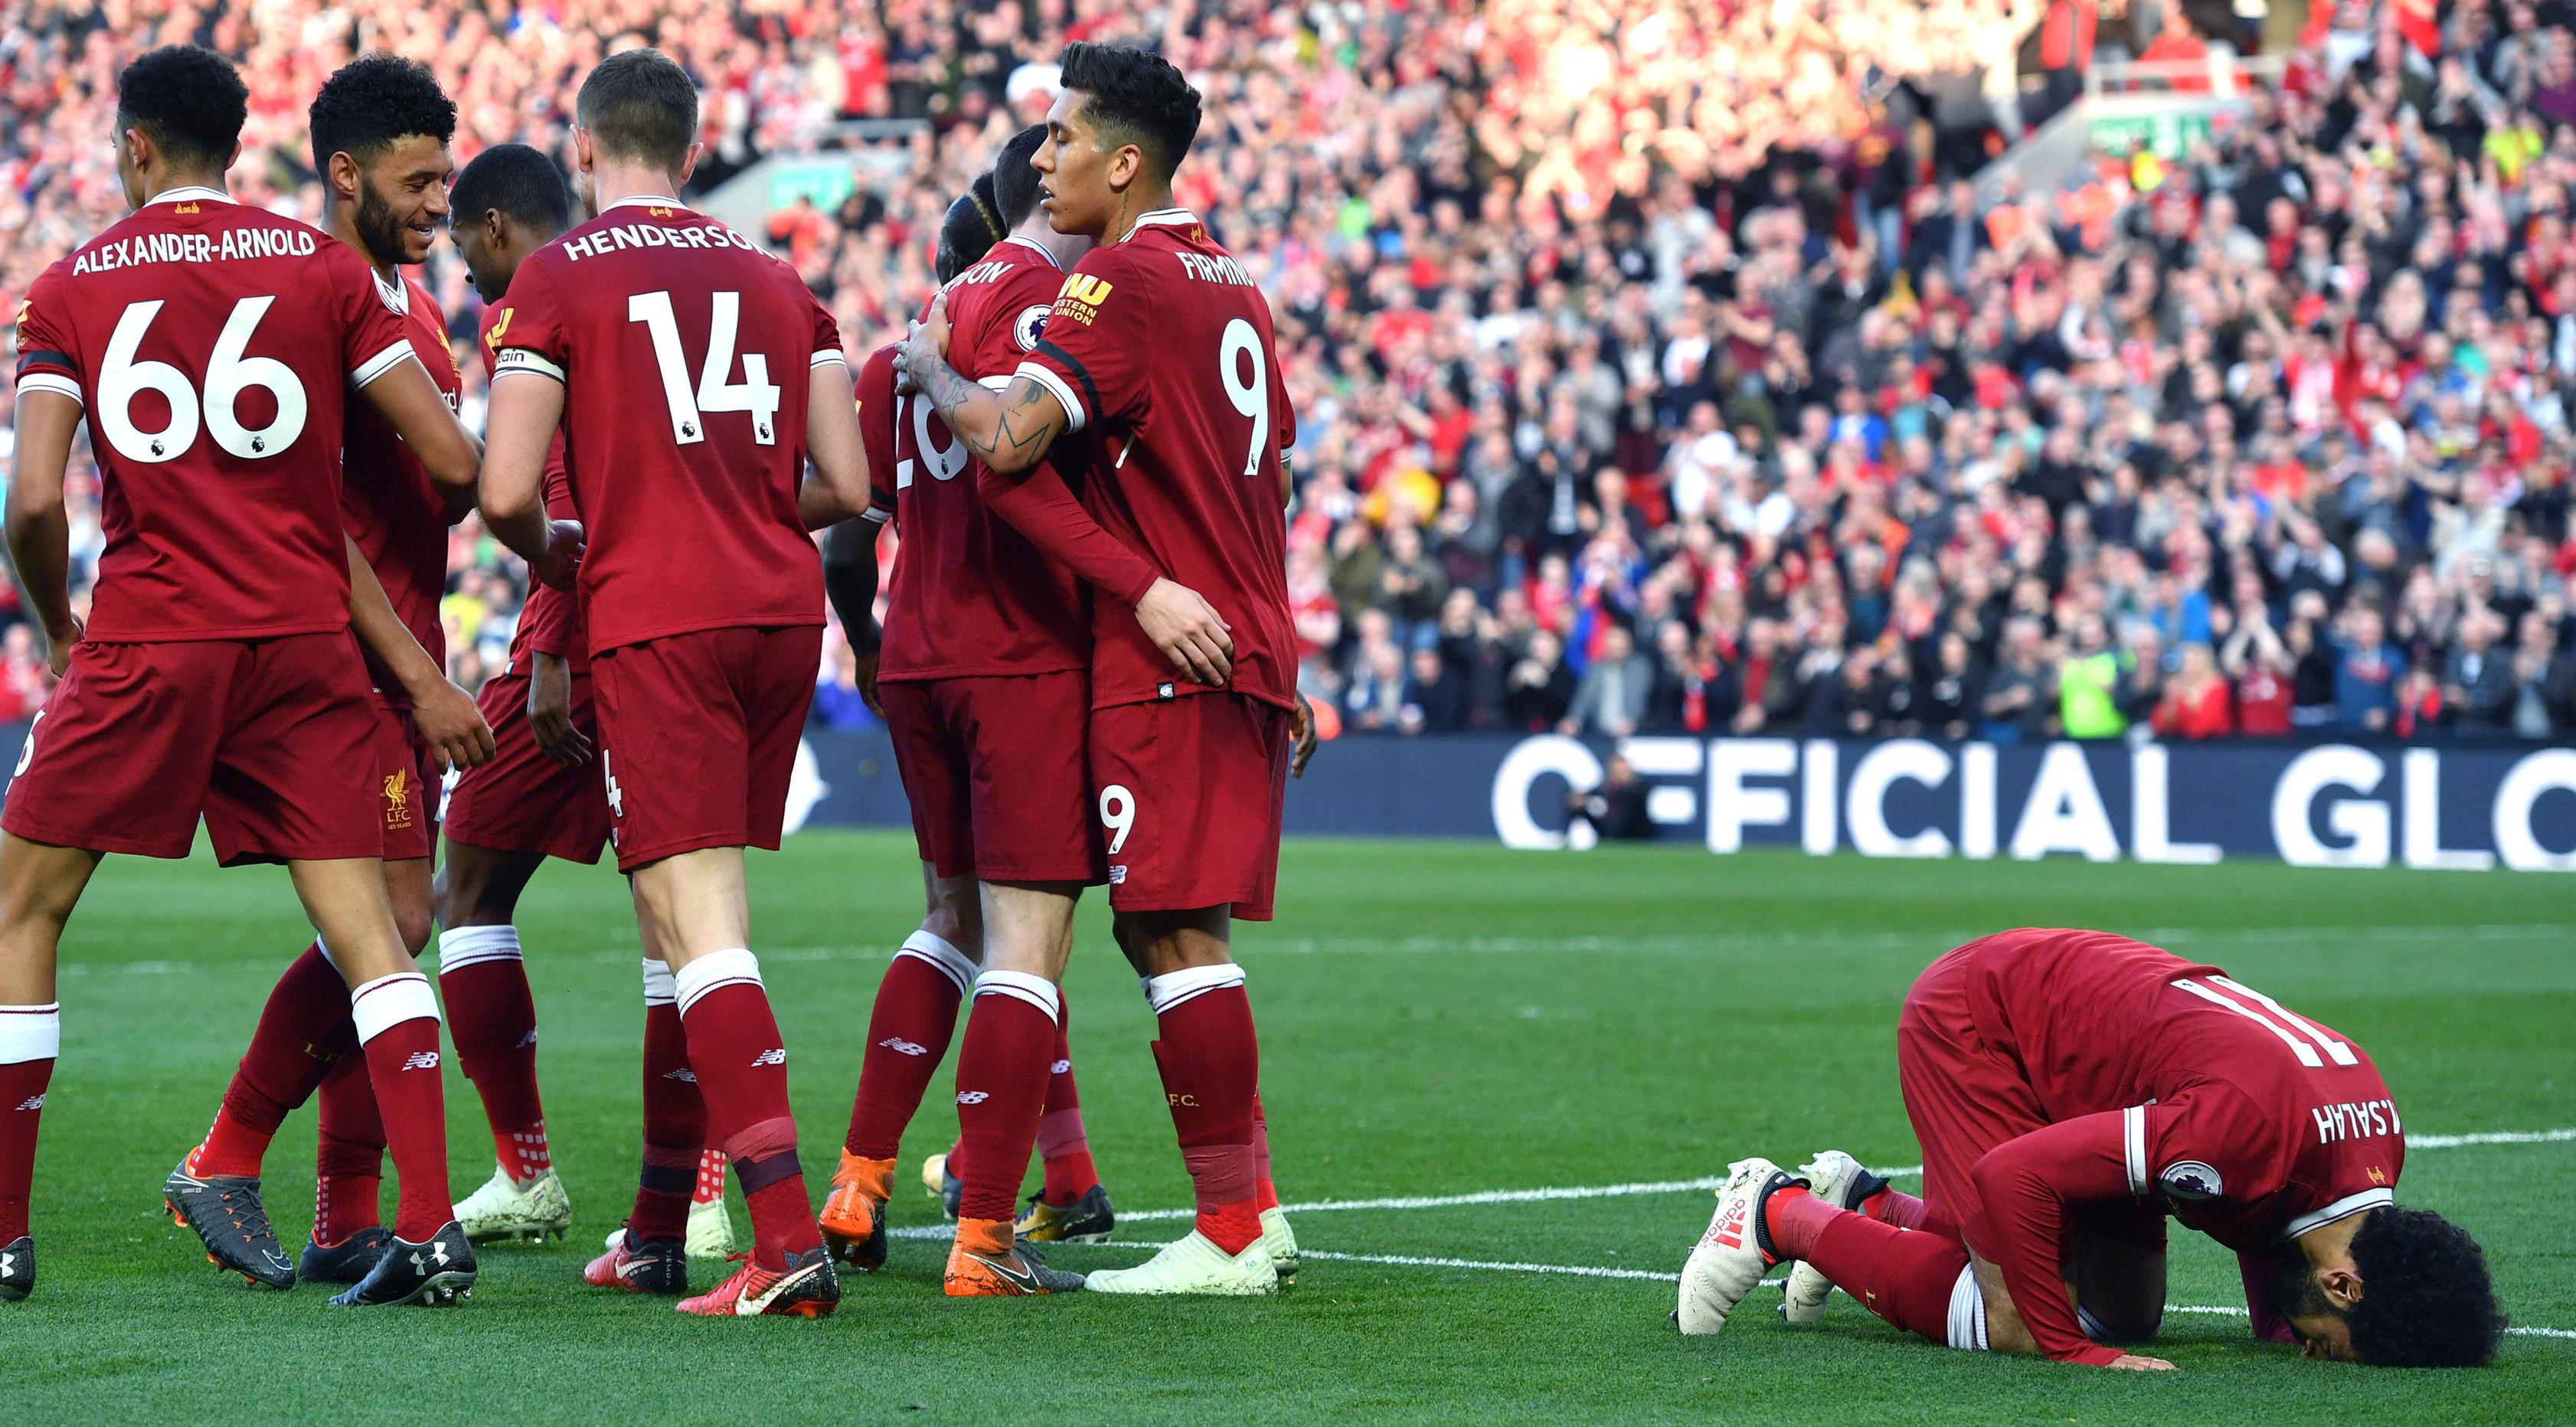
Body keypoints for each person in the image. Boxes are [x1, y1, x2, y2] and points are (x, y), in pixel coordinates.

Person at [0, 45, 486, 1306]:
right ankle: (427, 1230)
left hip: (152, 636)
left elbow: (37, 499)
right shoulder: (323, 271)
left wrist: (59, 626)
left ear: (137, 149)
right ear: (239, 143)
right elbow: (443, 454)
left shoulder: (67, 289)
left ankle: (4, 1230)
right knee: (378, 939)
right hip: (302, 642)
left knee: (23, 913)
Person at [895, 41, 1303, 1296]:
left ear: (1125, 162)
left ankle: (1230, 1228)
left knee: (1171, 929)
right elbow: (1266, 470)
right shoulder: (1231, 281)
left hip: (1166, 655)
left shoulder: (1114, 282)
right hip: (1232, 639)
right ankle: (1256, 1208)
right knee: (1167, 927)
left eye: (1064, 137)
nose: (1044, 157)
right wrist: (1276, 642)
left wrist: (926, 363)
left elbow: (1008, 438)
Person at [480, 47, 872, 1318]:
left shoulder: (551, 278)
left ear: (583, 149)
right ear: (694, 153)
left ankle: (778, 1237)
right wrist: (738, 506)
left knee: (700, 919)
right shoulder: (776, 274)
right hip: (775, 610)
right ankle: (655, 1224)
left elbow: (501, 491)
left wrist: (582, 551)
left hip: (659, 615)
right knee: (674, 925)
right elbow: (848, 489)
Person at [166, 54, 497, 1297]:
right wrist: (413, 670)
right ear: (344, 171)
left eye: (444, 179)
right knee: (394, 927)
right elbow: (318, 521)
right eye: (416, 183)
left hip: (399, 651)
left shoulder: (389, 300)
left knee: (392, 928)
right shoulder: (311, 301)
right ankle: (232, 1154)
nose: (435, 204)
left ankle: (341, 1212)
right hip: (351, 662)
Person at [805, 132, 1129, 1295]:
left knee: (947, 916)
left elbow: (851, 533)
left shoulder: (912, 338)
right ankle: (988, 1236)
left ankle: (857, 1179)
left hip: (920, 654)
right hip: (1023, 657)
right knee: (1029, 943)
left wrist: (879, 646)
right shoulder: (1060, 307)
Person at [1679, 929, 2505, 1370]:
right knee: (2019, 1321)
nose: (2322, 1357)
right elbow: (2015, 1174)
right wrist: (2068, 1350)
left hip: (2112, 1075)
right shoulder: (2237, 1133)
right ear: (2344, 1280)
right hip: (1984, 1020)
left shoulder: (2366, 1154)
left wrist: (2281, 1328)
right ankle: (1779, 1210)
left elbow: (2277, 1216)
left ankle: (1862, 1201)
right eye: (2335, 1346)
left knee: (2126, 1314)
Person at [431, 142, 735, 1260]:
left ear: (501, 228)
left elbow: (559, 482)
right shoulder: (688, 278)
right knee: (680, 912)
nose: (465, 274)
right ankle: (696, 1195)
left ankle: (533, 1175)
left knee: (470, 885)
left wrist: (553, 643)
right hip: (695, 618)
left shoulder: (545, 300)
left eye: (466, 249)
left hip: (599, 634)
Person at [1567, 754, 1651, 841]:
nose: (1620, 776)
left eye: (1623, 773)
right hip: (1610, 834)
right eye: (1617, 773)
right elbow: (1590, 796)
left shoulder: (1640, 788)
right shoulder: (1606, 789)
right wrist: (1581, 800)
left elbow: (1632, 805)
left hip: (1636, 835)